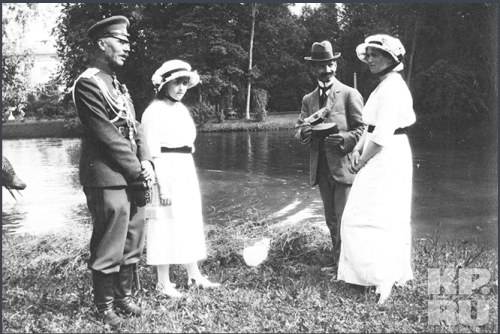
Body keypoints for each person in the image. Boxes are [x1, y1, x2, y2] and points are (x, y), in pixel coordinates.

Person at [72, 16, 155, 327]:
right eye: (121, 41)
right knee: (110, 242)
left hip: (131, 173)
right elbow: (107, 134)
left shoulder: (118, 85)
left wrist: (146, 161)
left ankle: (123, 298)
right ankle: (104, 307)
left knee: (133, 237)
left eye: (128, 42)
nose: (127, 48)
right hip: (106, 175)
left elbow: (134, 127)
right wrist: (137, 170)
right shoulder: (88, 84)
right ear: (101, 43)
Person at [337, 34, 416, 304]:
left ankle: (380, 275)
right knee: (364, 213)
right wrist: (358, 147)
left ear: (391, 59)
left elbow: (382, 136)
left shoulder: (393, 88)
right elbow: (370, 127)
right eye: (367, 54)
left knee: (375, 214)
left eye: (375, 55)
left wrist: (361, 161)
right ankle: (365, 275)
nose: (369, 59)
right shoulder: (382, 86)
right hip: (379, 151)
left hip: (387, 155)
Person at [142, 59, 220, 298]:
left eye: (185, 83)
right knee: (164, 221)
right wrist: (162, 187)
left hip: (185, 169)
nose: (181, 88)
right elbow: (151, 152)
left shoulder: (181, 109)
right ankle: (163, 282)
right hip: (166, 170)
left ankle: (194, 274)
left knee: (189, 220)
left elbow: (187, 143)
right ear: (165, 84)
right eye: (176, 82)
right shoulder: (153, 112)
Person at [295, 41, 365, 271]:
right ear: (314, 69)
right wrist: (303, 132)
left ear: (335, 64)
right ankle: (339, 263)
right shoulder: (308, 99)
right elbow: (299, 129)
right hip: (321, 167)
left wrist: (345, 140)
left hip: (344, 166)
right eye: (321, 65)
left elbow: (362, 129)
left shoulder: (349, 94)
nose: (327, 69)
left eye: (330, 64)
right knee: (331, 219)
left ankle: (349, 266)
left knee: (345, 218)